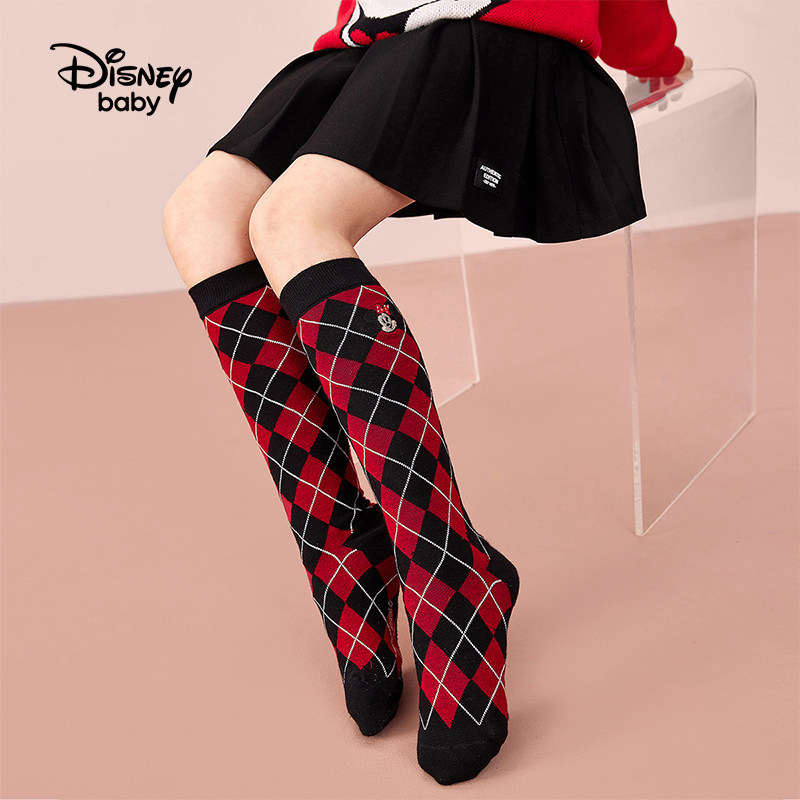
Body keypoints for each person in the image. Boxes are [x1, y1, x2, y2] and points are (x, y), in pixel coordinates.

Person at [162, 0, 690, 785]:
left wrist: (656, 55)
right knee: (198, 219)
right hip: (382, 44)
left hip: (501, 37)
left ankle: (449, 575)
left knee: (293, 224)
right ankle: (341, 543)